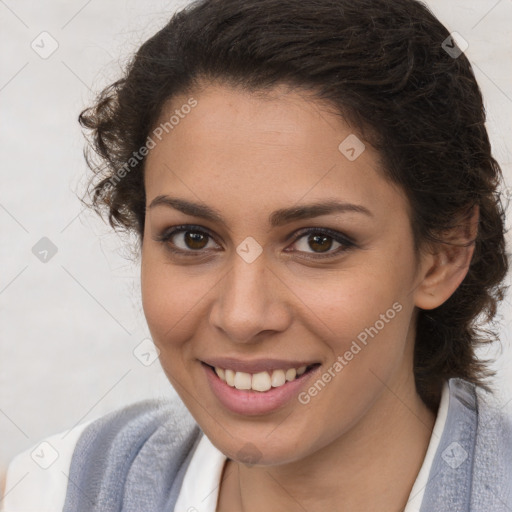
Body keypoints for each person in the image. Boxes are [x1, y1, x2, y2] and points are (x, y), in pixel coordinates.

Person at [2, 0, 511, 510]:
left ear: (444, 254)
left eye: (318, 241)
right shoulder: (52, 490)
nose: (242, 316)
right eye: (192, 238)